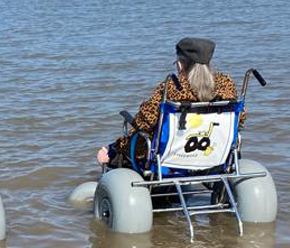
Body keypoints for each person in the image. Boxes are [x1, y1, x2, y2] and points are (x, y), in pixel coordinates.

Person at [97, 38, 244, 169]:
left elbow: (144, 122)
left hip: (171, 157)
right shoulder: (226, 84)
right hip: (214, 152)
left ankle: (109, 163)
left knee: (116, 149)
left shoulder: (172, 87)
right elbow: (239, 119)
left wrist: (118, 144)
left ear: (180, 64)